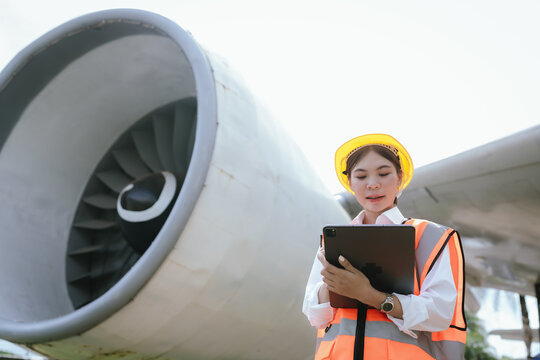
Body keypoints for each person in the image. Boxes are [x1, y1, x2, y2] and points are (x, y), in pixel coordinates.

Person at [303, 134, 467, 360]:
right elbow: (315, 316)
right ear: (350, 182)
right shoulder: (332, 241)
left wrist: (370, 296)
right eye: (361, 176)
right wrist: (330, 284)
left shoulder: (432, 237)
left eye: (383, 173)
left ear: (400, 178)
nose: (372, 184)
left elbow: (440, 314)